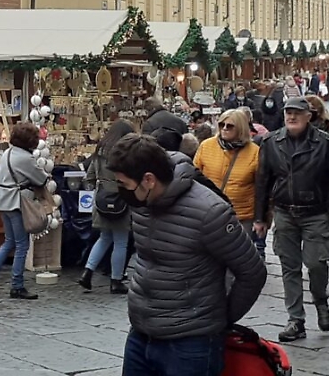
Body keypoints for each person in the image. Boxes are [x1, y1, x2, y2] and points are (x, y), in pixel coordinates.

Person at [108, 134, 266, 376]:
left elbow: (252, 271)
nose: (121, 191)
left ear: (149, 180)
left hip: (191, 343)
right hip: (141, 332)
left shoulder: (210, 212)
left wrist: (221, 318)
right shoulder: (141, 202)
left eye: (124, 184)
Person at [254, 96, 329, 343]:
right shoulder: (271, 142)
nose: (291, 117)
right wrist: (260, 218)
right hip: (285, 213)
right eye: (288, 112)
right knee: (289, 267)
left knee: (316, 263)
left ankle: (320, 301)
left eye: (297, 113)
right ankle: (296, 320)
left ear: (308, 116)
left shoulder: (325, 144)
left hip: (315, 213)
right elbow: (263, 182)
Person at [0, 122, 50, 299]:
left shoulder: (7, 153)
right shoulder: (25, 159)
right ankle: (17, 285)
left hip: (3, 201)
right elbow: (41, 179)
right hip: (16, 203)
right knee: (22, 245)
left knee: (9, 241)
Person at [194, 109, 265, 258]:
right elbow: (194, 177)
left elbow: (262, 188)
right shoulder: (207, 146)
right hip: (208, 214)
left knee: (237, 259)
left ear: (241, 128)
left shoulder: (255, 153)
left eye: (230, 125)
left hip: (241, 216)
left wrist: (261, 219)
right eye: (222, 125)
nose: (225, 128)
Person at [79, 120, 135, 294]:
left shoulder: (100, 152)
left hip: (102, 199)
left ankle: (87, 272)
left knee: (104, 238)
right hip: (121, 200)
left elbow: (88, 178)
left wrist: (97, 191)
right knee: (120, 241)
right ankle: (116, 280)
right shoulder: (127, 154)